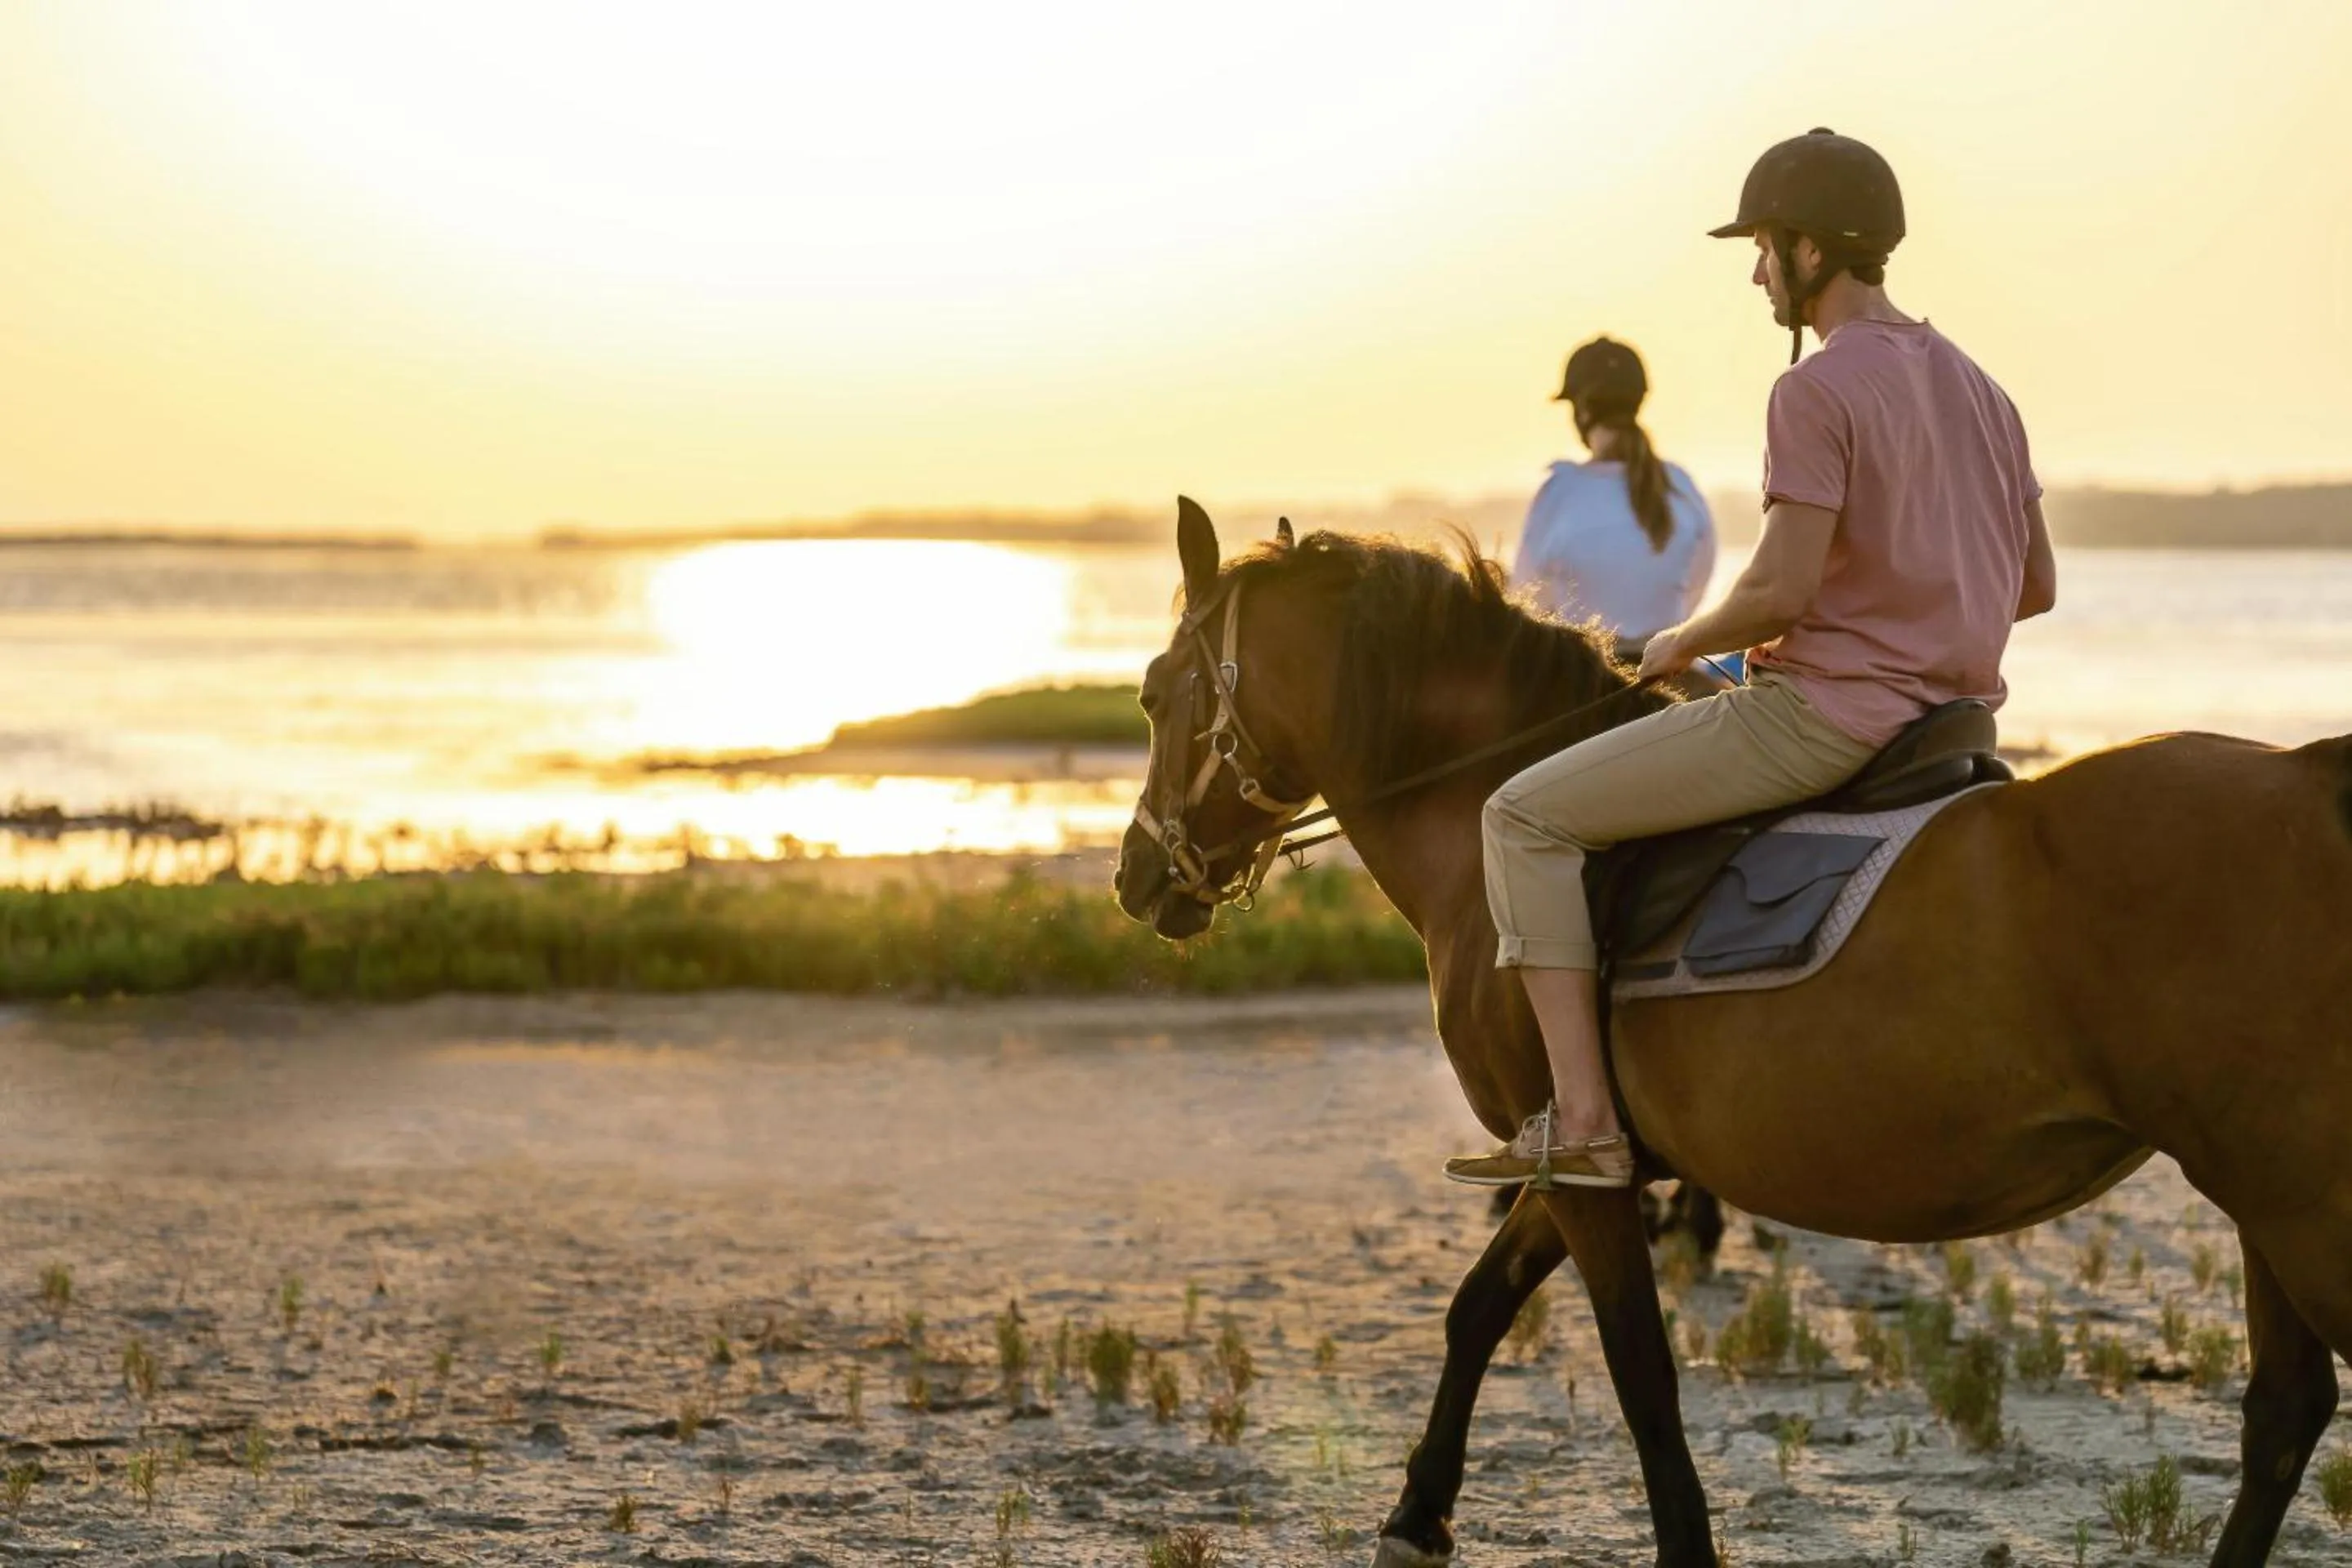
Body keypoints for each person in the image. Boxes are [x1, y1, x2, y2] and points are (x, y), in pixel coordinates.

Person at [1447, 127, 2058, 1190]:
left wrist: (1682, 643)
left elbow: (1778, 591)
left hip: (1820, 724)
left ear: (1813, 249)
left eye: (1766, 248)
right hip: (1952, 728)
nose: (1758, 272)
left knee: (1520, 818)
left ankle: (1584, 1122)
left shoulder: (1814, 390)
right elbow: (2035, 584)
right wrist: (1909, 614)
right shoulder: (1985, 391)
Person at [1515, 337, 1717, 661]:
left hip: (1582, 670)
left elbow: (1527, 598)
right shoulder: (1680, 485)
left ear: (1582, 411)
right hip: (1665, 664)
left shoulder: (1558, 492)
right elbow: (1695, 586)